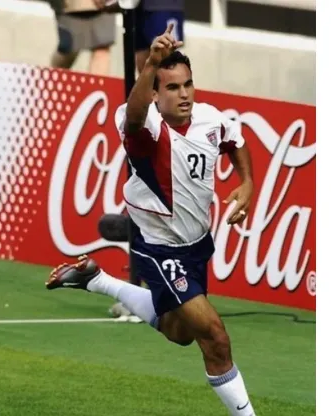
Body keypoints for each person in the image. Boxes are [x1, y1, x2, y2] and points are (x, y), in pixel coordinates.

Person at [46, 24, 257, 416]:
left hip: (196, 244)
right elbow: (135, 115)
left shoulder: (210, 119)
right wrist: (151, 65)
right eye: (172, 88)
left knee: (179, 333)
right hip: (158, 248)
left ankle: (99, 280)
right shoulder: (144, 127)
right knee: (215, 337)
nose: (184, 95)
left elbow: (235, 141)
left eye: (188, 85)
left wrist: (247, 184)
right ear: (156, 93)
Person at [51, 0, 118, 76]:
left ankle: (96, 87)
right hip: (72, 5)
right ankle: (52, 81)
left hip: (104, 6)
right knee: (69, 49)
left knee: (102, 46)